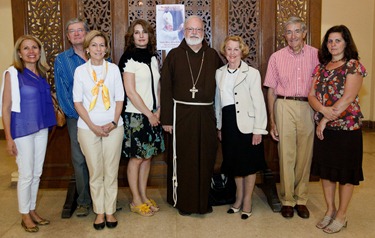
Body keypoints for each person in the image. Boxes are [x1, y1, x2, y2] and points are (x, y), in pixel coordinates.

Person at [160, 15, 223, 215]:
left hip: (206, 114)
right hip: (180, 115)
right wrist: (167, 119)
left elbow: (223, 88)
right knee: (184, 159)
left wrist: (221, 120)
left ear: (204, 33)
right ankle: (183, 202)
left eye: (198, 29)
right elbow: (166, 89)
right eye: (190, 29)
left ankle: (202, 201)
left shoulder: (212, 55)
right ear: (184, 32)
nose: (194, 33)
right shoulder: (174, 55)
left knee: (205, 158)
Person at [308, 25, 366, 234]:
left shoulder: (353, 66)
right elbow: (311, 95)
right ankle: (330, 210)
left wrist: (324, 120)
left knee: (344, 173)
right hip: (325, 129)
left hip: (347, 128)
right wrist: (322, 111)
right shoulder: (321, 67)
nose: (333, 44)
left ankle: (341, 215)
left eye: (337, 40)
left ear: (346, 43)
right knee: (327, 172)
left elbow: (348, 98)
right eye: (330, 41)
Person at [264, 16, 319, 219]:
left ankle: (301, 199)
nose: (293, 36)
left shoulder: (316, 55)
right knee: (286, 154)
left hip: (308, 106)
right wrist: (272, 120)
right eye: (289, 32)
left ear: (304, 33)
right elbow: (270, 90)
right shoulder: (276, 57)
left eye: (297, 31)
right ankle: (287, 200)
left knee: (305, 155)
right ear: (284, 35)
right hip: (284, 104)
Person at [0, 35, 56, 232]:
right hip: (22, 130)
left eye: (35, 47)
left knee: (36, 173)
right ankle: (24, 215)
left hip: (41, 128)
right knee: (26, 174)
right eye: (26, 48)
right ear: (19, 53)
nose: (31, 51)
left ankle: (32, 210)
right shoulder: (13, 73)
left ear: (40, 52)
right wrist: (8, 138)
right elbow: (5, 108)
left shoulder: (42, 73)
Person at [73, 30, 124, 230]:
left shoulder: (113, 69)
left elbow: (120, 98)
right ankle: (99, 211)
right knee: (95, 172)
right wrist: (93, 127)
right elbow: (77, 102)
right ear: (87, 48)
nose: (98, 48)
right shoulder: (80, 71)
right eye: (94, 45)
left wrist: (112, 122)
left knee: (110, 171)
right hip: (87, 128)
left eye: (102, 45)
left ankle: (110, 210)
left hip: (113, 127)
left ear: (106, 49)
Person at [215, 36, 268, 220]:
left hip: (247, 125)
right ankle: (238, 198)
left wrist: (258, 129)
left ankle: (247, 201)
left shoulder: (251, 73)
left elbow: (259, 102)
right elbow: (218, 102)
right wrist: (219, 126)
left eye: (235, 49)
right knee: (234, 164)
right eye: (228, 49)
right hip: (228, 124)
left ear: (242, 51)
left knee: (249, 165)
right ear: (224, 51)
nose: (232, 53)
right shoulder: (219, 73)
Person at [118, 19, 165, 216]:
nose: (141, 35)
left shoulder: (153, 57)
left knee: (148, 158)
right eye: (137, 32)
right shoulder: (128, 58)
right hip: (136, 116)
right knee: (137, 158)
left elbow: (158, 86)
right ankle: (135, 200)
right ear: (132, 36)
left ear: (150, 35)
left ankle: (144, 195)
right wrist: (148, 114)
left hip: (153, 114)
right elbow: (130, 91)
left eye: (144, 32)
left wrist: (159, 110)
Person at [54, 17, 92, 217]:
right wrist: (79, 116)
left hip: (100, 118)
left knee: (98, 159)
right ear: (68, 37)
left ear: (86, 32)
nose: (77, 34)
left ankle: (102, 199)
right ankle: (84, 200)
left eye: (80, 30)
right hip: (75, 118)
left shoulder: (99, 53)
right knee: (79, 159)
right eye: (72, 31)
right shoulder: (62, 60)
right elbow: (62, 92)